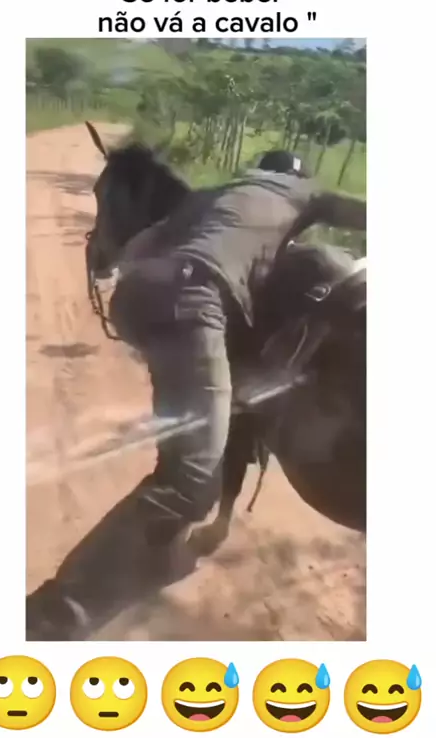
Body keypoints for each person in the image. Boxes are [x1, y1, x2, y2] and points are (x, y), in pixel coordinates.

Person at [107, 149, 366, 569]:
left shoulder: (220, 198)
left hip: (179, 295)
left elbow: (140, 247)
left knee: (207, 438)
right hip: (340, 278)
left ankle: (165, 536)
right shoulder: (302, 212)